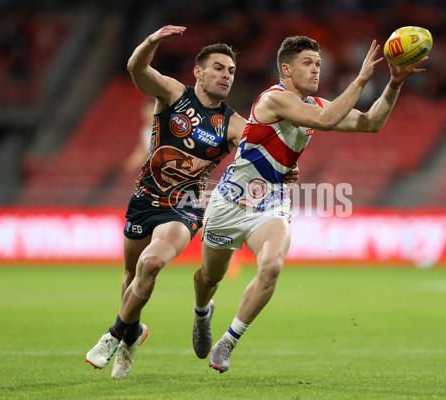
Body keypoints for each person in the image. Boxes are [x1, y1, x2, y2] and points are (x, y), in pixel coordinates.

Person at [193, 35, 428, 373]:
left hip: (270, 203)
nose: (317, 69)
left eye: (319, 63)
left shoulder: (314, 106)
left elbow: (371, 122)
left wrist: (392, 84)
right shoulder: (273, 100)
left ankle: (228, 341)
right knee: (208, 278)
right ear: (285, 70)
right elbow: (327, 119)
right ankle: (202, 313)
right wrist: (361, 78)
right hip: (229, 202)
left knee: (271, 265)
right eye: (308, 63)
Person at [85, 25, 299, 379]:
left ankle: (114, 334)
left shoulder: (233, 124)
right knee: (132, 275)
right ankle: (133, 333)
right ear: (198, 71)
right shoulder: (172, 93)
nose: (226, 75)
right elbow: (137, 70)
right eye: (218, 67)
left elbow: (260, 154)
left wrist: (281, 171)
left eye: (231, 71)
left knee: (151, 264)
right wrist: (151, 42)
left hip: (186, 204)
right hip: (144, 198)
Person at [123, 98, 156, 172]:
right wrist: (128, 166)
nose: (148, 114)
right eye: (146, 111)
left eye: (151, 110)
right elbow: (142, 152)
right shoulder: (146, 131)